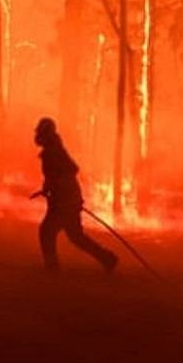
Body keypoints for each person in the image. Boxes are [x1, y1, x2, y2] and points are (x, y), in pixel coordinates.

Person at [31, 117, 118, 273]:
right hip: (65, 200)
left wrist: (60, 194)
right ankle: (107, 258)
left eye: (40, 132)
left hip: (64, 202)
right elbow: (55, 175)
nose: (37, 135)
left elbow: (65, 173)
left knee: (47, 231)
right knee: (76, 237)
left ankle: (52, 266)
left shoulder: (53, 152)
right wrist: (48, 188)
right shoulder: (54, 150)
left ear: (46, 134)